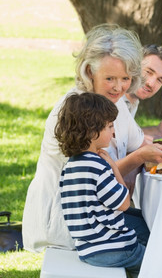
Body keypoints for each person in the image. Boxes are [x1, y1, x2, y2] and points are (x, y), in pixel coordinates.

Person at [22, 24, 162, 252]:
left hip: (97, 214)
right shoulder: (76, 110)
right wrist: (139, 157)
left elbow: (140, 142)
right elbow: (92, 180)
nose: (118, 87)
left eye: (125, 78)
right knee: (158, 239)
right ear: (90, 71)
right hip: (70, 223)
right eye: (110, 78)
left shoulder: (114, 103)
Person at [56, 92, 145, 277]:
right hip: (113, 249)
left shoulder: (71, 165)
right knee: (156, 261)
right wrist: (113, 167)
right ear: (91, 130)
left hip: (88, 250)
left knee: (141, 223)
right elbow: (124, 203)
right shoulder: (97, 165)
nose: (113, 132)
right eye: (109, 126)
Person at [123, 44, 162, 141]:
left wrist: (159, 131)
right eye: (148, 72)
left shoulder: (132, 100)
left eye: (160, 80)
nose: (151, 83)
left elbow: (126, 136)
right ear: (134, 66)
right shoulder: (113, 99)